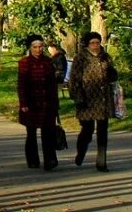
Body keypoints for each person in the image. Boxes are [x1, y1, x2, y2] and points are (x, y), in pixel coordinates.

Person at [68, 31, 118, 171]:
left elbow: (110, 73)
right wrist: (78, 98)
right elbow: (74, 80)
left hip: (103, 99)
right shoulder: (80, 58)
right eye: (93, 43)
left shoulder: (105, 57)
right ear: (87, 44)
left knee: (103, 132)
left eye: (97, 42)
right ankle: (81, 151)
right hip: (86, 99)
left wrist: (113, 74)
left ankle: (101, 162)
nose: (96, 46)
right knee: (87, 130)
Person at [17, 34, 59, 170]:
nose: (38, 49)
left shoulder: (48, 62)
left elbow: (52, 84)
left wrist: (55, 103)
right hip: (31, 102)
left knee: (48, 132)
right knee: (31, 133)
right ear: (30, 48)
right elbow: (21, 84)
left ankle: (50, 160)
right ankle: (33, 160)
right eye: (35, 47)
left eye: (41, 47)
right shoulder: (24, 63)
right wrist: (23, 103)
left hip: (47, 102)